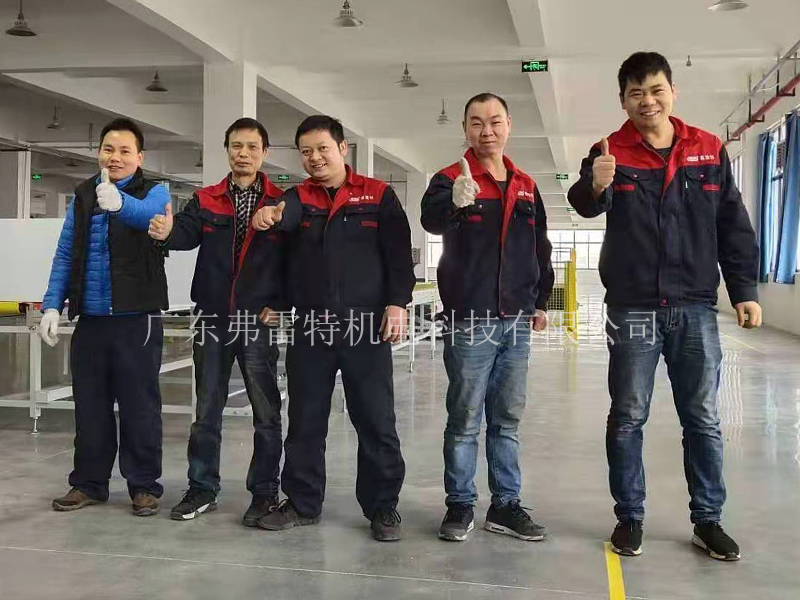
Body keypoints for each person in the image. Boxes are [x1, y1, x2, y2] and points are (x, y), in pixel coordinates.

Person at [567, 52, 761, 561]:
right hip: (633, 307)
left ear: (672, 92)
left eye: (655, 90)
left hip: (695, 305)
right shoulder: (608, 150)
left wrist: (744, 289)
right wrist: (597, 183)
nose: (647, 101)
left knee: (702, 417)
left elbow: (732, 224)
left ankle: (708, 520)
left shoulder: (708, 149)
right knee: (628, 415)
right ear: (623, 101)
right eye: (636, 93)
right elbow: (583, 204)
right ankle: (629, 517)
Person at [253, 115, 415, 541]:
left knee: (376, 420)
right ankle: (302, 502)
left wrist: (397, 303)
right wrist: (270, 216)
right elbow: (281, 236)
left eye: (322, 148)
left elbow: (399, 254)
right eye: (306, 151)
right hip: (311, 327)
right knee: (305, 420)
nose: (314, 158)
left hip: (366, 327)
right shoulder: (297, 198)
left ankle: (383, 507)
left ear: (343, 148)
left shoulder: (377, 195)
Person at [421, 93, 554, 542]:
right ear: (465, 128)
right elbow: (431, 220)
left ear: (509, 125)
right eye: (476, 122)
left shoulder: (526, 184)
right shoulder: (450, 178)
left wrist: (541, 300)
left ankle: (505, 505)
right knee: (464, 418)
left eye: (495, 121)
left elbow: (540, 247)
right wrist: (454, 203)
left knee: (507, 418)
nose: (487, 131)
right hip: (469, 319)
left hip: (516, 319)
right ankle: (460, 504)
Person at [148, 118, 287, 527]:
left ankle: (264, 492)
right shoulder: (206, 199)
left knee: (266, 411)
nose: (243, 153)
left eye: (251, 147)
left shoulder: (280, 202)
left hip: (257, 320)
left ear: (264, 152)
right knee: (207, 409)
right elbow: (185, 234)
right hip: (213, 317)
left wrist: (281, 304)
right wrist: (167, 231)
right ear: (226, 150)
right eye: (235, 146)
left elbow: (294, 259)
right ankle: (202, 487)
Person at [40, 118, 169, 516]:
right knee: (90, 406)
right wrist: (51, 304)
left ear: (139, 157)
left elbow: (149, 215)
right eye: (108, 149)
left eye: (125, 150)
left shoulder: (155, 191)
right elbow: (66, 252)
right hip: (92, 320)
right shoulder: (83, 195)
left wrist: (121, 203)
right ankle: (88, 483)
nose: (115, 157)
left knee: (139, 406)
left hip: (137, 320)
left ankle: (143, 485)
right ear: (99, 152)